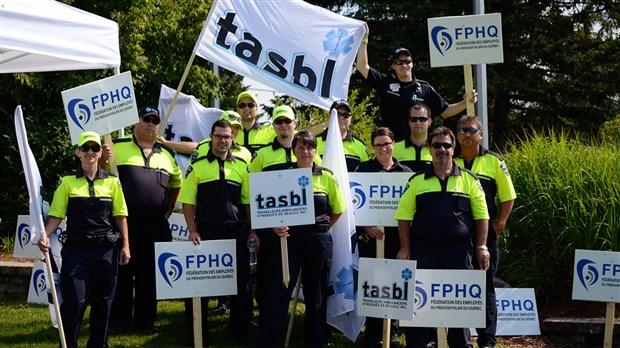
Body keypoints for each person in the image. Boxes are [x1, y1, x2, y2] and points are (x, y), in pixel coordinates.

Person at [394, 126, 490, 348]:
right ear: (430, 149)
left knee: (460, 309)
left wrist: (482, 246)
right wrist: (404, 247)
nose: (442, 149)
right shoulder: (416, 181)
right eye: (436, 145)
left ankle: (460, 345)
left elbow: (482, 216)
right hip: (424, 251)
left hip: (459, 253)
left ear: (453, 148)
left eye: (446, 145)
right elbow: (403, 217)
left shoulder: (469, 179)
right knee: (420, 306)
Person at [37, 131, 130, 348]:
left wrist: (126, 245)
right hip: (76, 251)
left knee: (103, 303)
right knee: (75, 302)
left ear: (100, 153)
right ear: (78, 152)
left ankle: (98, 344)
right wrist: (45, 234)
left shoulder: (113, 183)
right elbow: (57, 214)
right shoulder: (67, 181)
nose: (90, 152)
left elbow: (120, 216)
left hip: (106, 250)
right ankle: (68, 344)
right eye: (85, 148)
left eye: (94, 148)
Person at [177, 119, 254, 347]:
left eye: (227, 137)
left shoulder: (241, 166)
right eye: (219, 136)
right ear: (211, 137)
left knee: (242, 287)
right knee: (200, 288)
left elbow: (248, 202)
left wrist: (252, 232)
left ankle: (239, 335)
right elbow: (188, 203)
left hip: (237, 232)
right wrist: (192, 230)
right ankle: (199, 337)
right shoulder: (197, 166)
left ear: (232, 139)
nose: (223, 140)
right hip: (206, 233)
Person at [107, 106, 183, 333]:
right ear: (136, 122)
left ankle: (145, 322)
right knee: (122, 273)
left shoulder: (168, 155)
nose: (150, 123)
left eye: (155, 120)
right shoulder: (116, 148)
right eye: (146, 119)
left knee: (149, 276)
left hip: (156, 225)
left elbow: (176, 183)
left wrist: (169, 206)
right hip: (124, 223)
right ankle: (119, 321)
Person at [267, 131, 346, 347]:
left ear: (316, 150)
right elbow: (270, 208)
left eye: (310, 147)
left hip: (318, 240)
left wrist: (321, 228)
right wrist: (275, 226)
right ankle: (273, 340)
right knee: (281, 291)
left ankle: (314, 340)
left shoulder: (326, 177)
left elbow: (338, 209)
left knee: (316, 293)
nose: (305, 151)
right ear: (293, 151)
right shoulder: (283, 176)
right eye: (300, 147)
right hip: (289, 240)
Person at [356, 23, 477, 142]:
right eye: (399, 62)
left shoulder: (424, 88)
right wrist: (364, 40)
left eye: (407, 61)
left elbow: (445, 111)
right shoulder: (385, 83)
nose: (404, 65)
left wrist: (465, 103)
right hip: (392, 148)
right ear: (393, 66)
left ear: (412, 63)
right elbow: (362, 66)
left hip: (417, 148)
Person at [454, 116, 516, 348]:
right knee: (458, 284)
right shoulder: (450, 158)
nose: (466, 135)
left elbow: (508, 197)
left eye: (471, 130)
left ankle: (487, 340)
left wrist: (500, 224)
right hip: (457, 234)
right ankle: (460, 339)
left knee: (485, 286)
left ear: (480, 134)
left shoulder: (494, 161)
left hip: (485, 236)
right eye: (462, 130)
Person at [356, 127, 411, 348]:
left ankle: (393, 333)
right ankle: (373, 333)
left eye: (386, 143)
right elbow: (352, 205)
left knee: (395, 285)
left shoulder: (405, 173)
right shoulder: (363, 170)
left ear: (393, 143)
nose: (383, 148)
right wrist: (366, 227)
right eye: (378, 145)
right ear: (372, 147)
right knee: (373, 285)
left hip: (397, 239)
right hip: (372, 239)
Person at [312, 99, 369, 172]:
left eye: (346, 115)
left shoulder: (360, 145)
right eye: (337, 115)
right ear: (329, 117)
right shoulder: (315, 142)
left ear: (350, 119)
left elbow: (366, 173)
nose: (341, 118)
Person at [392, 103, 433, 172]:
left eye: (422, 119)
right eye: (413, 119)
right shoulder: (393, 149)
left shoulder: (437, 149)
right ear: (409, 121)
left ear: (429, 121)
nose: (418, 122)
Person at [235, 91, 277, 155]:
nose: (246, 108)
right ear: (237, 109)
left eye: (250, 105)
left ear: (257, 108)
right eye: (242, 105)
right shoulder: (230, 133)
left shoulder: (269, 131)